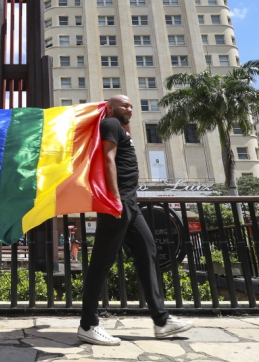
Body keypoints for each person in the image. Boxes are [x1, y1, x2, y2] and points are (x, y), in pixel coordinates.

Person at [77, 95, 192, 346]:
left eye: (131, 105)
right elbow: (108, 159)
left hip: (131, 204)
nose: (130, 108)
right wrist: (115, 199)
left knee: (147, 251)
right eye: (124, 105)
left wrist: (124, 116)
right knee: (101, 262)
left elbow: (125, 135)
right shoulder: (110, 124)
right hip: (119, 203)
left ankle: (161, 321)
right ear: (110, 108)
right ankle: (87, 324)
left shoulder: (121, 128)